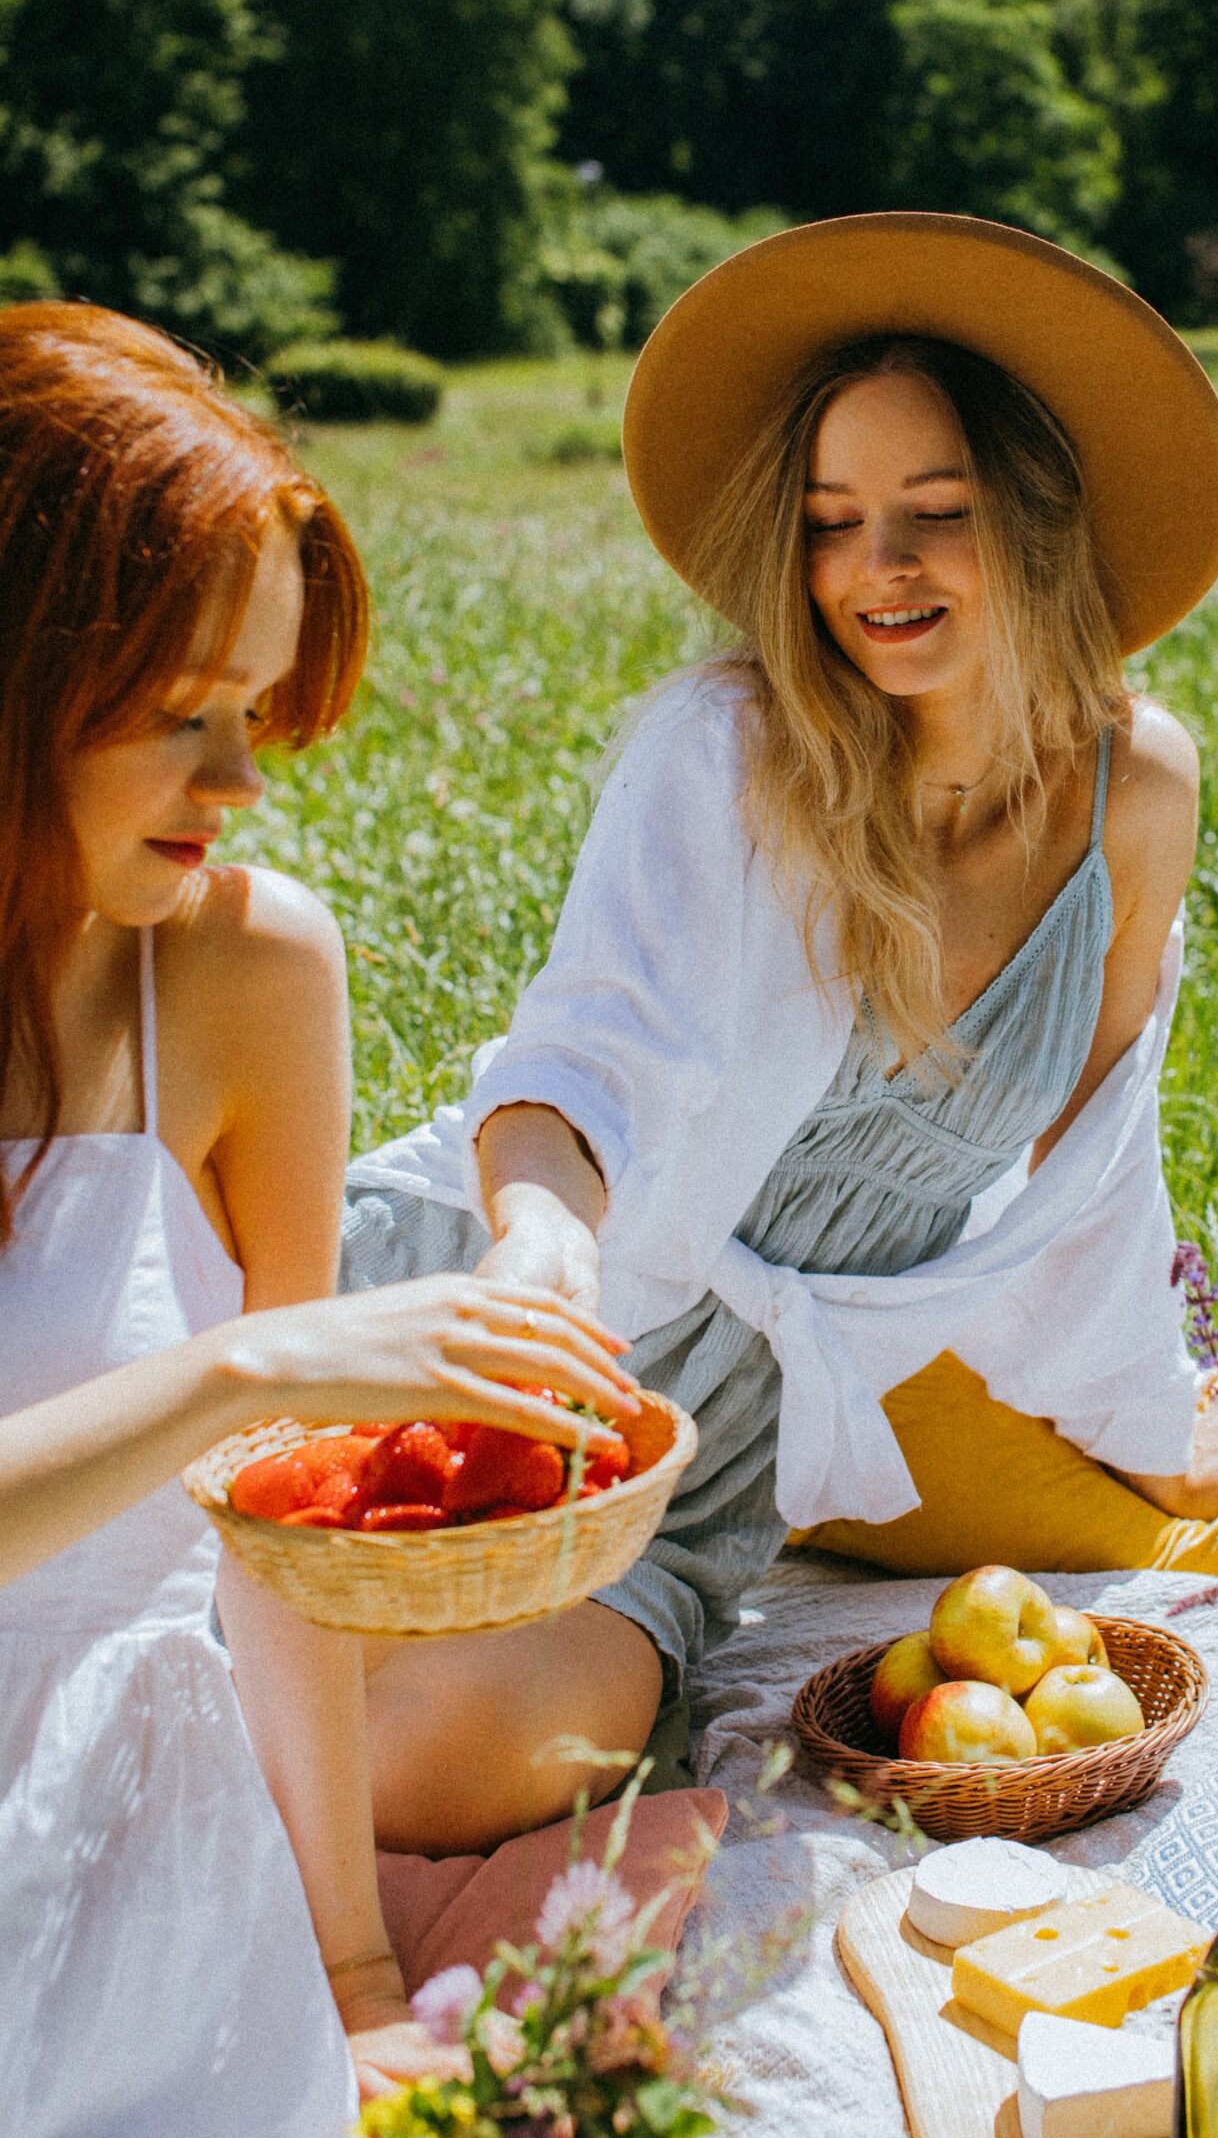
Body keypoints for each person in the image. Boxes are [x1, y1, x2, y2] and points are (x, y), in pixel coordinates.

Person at [344, 211, 1218, 1844]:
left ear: (1040, 524)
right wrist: (536, 1248)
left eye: (937, 513)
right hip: (516, 1335)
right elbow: (571, 1069)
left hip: (712, 1465)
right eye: (834, 522)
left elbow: (1091, 1161)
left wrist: (1140, 1407)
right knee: (201, 1627)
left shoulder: (1139, 788)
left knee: (442, 1768)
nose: (876, 571)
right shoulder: (727, 753)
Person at [0, 303, 639, 2136]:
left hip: (141, 1845)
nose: (243, 784)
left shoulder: (242, 967)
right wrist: (247, 1368)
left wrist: (350, 1974)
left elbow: (278, 1560)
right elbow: (254, 1396)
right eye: (178, 719)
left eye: (259, 715)